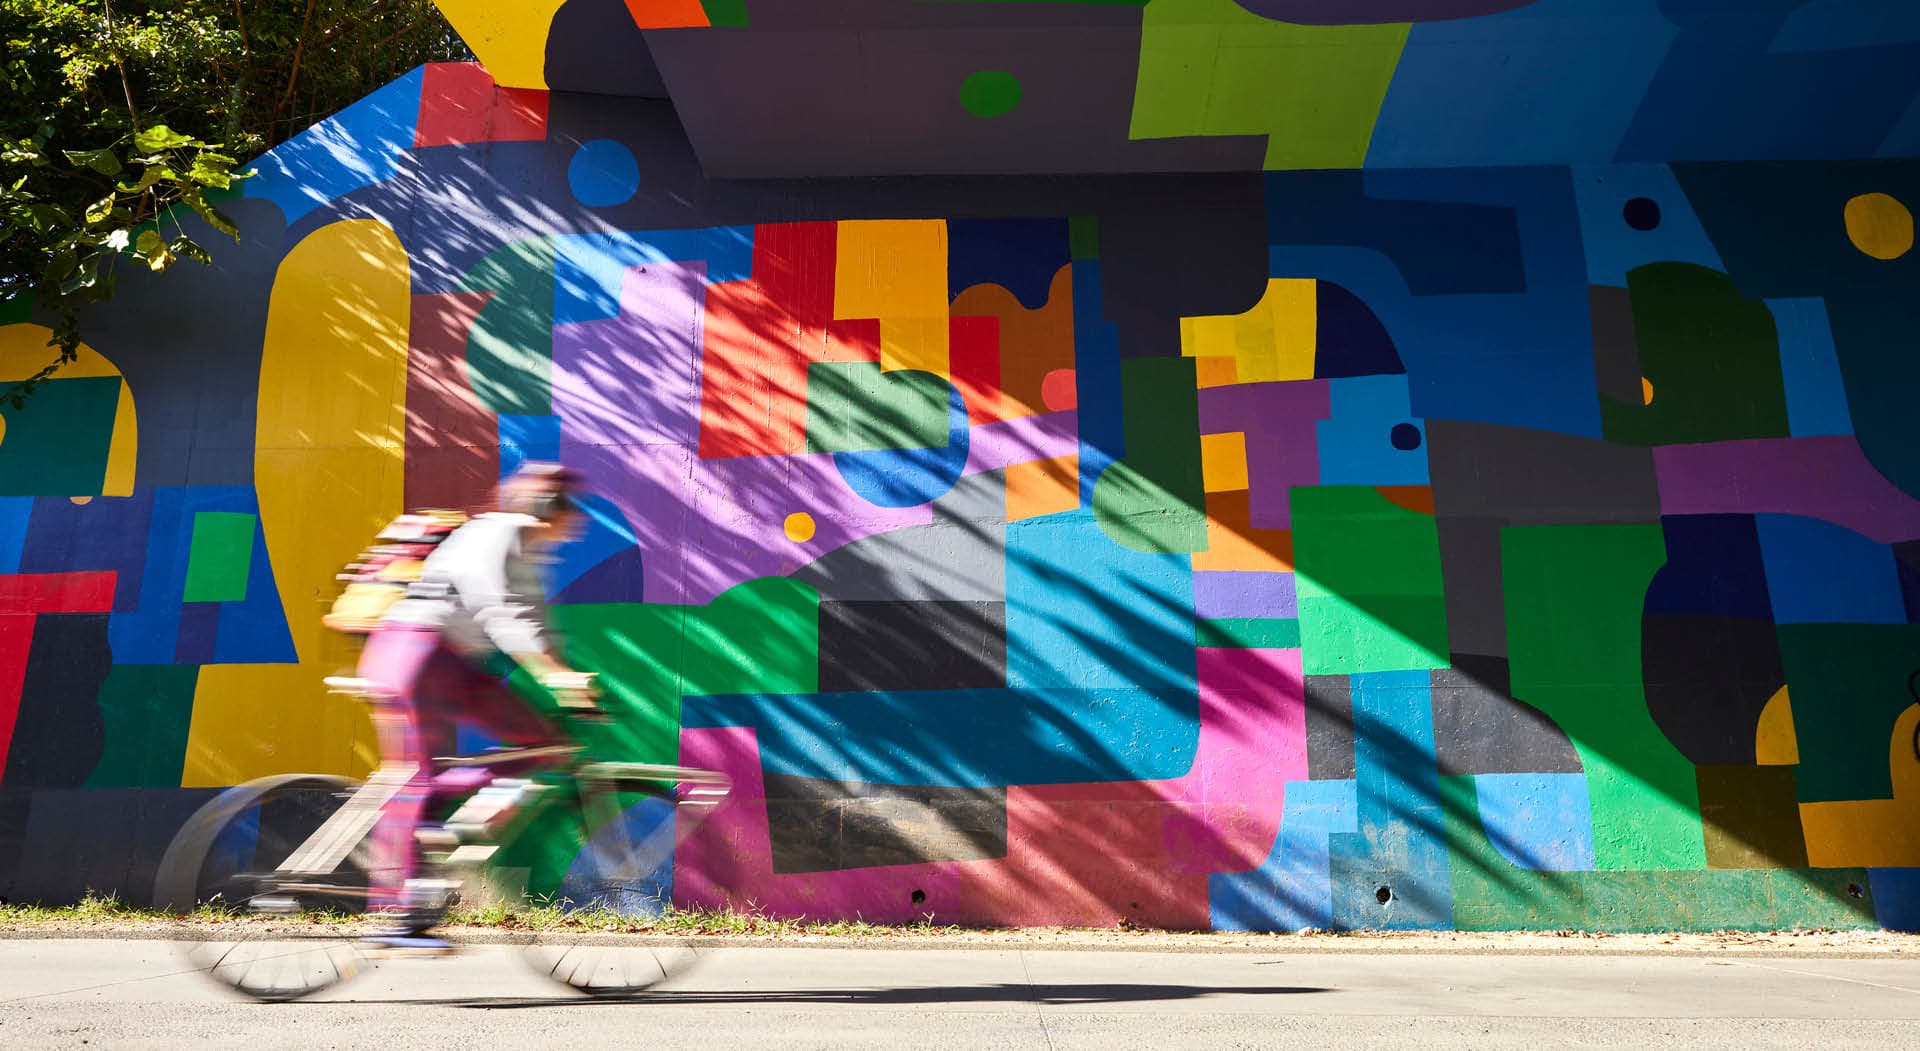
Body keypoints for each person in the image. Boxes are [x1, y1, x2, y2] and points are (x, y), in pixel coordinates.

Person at [354, 462, 602, 948]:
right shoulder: (498, 534)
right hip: (416, 653)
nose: (577, 523)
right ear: (547, 507)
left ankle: (449, 838)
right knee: (419, 776)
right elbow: (503, 611)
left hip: (454, 664)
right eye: (571, 509)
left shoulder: (523, 548)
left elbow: (535, 620)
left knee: (547, 745)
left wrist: (567, 677)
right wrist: (555, 675)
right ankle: (398, 913)